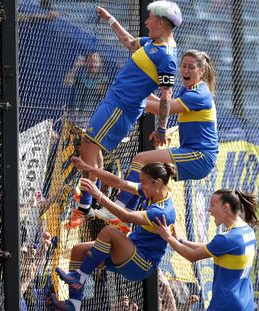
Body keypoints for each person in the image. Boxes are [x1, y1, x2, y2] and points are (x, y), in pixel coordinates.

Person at [71, 1, 182, 227]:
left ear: (160, 23)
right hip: (115, 101)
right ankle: (89, 203)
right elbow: (130, 42)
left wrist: (161, 127)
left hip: (121, 107)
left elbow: (166, 96)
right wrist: (110, 18)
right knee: (94, 150)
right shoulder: (153, 42)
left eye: (149, 18)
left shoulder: (166, 56)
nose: (146, 21)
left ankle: (84, 207)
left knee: (89, 147)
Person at [51, 161, 177, 311]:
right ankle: (73, 304)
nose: (141, 185)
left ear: (158, 182)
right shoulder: (153, 192)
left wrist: (99, 195)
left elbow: (126, 216)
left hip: (142, 263)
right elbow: (119, 183)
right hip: (132, 250)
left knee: (110, 231)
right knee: (78, 251)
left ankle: (79, 277)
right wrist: (90, 168)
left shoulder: (162, 211)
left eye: (143, 182)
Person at [114, 49, 218, 216]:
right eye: (183, 66)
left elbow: (162, 109)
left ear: (201, 70)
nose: (185, 70)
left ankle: (119, 209)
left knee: (141, 158)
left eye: (191, 67)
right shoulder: (190, 89)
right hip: (192, 152)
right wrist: (140, 91)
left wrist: (131, 93)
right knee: (148, 169)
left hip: (200, 156)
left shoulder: (200, 94)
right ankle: (126, 214)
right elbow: (163, 102)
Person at [153, 189, 259, 311]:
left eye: (212, 205)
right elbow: (209, 247)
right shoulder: (247, 231)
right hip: (246, 304)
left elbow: (192, 256)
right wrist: (179, 240)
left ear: (225, 207)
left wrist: (167, 237)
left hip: (226, 305)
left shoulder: (227, 238)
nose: (209, 210)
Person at [64, 52, 108, 128]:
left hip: (90, 117)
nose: (92, 64)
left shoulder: (103, 79)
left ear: (100, 64)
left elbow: (102, 92)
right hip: (75, 115)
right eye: (90, 61)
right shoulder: (81, 75)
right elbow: (67, 82)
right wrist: (76, 66)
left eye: (95, 62)